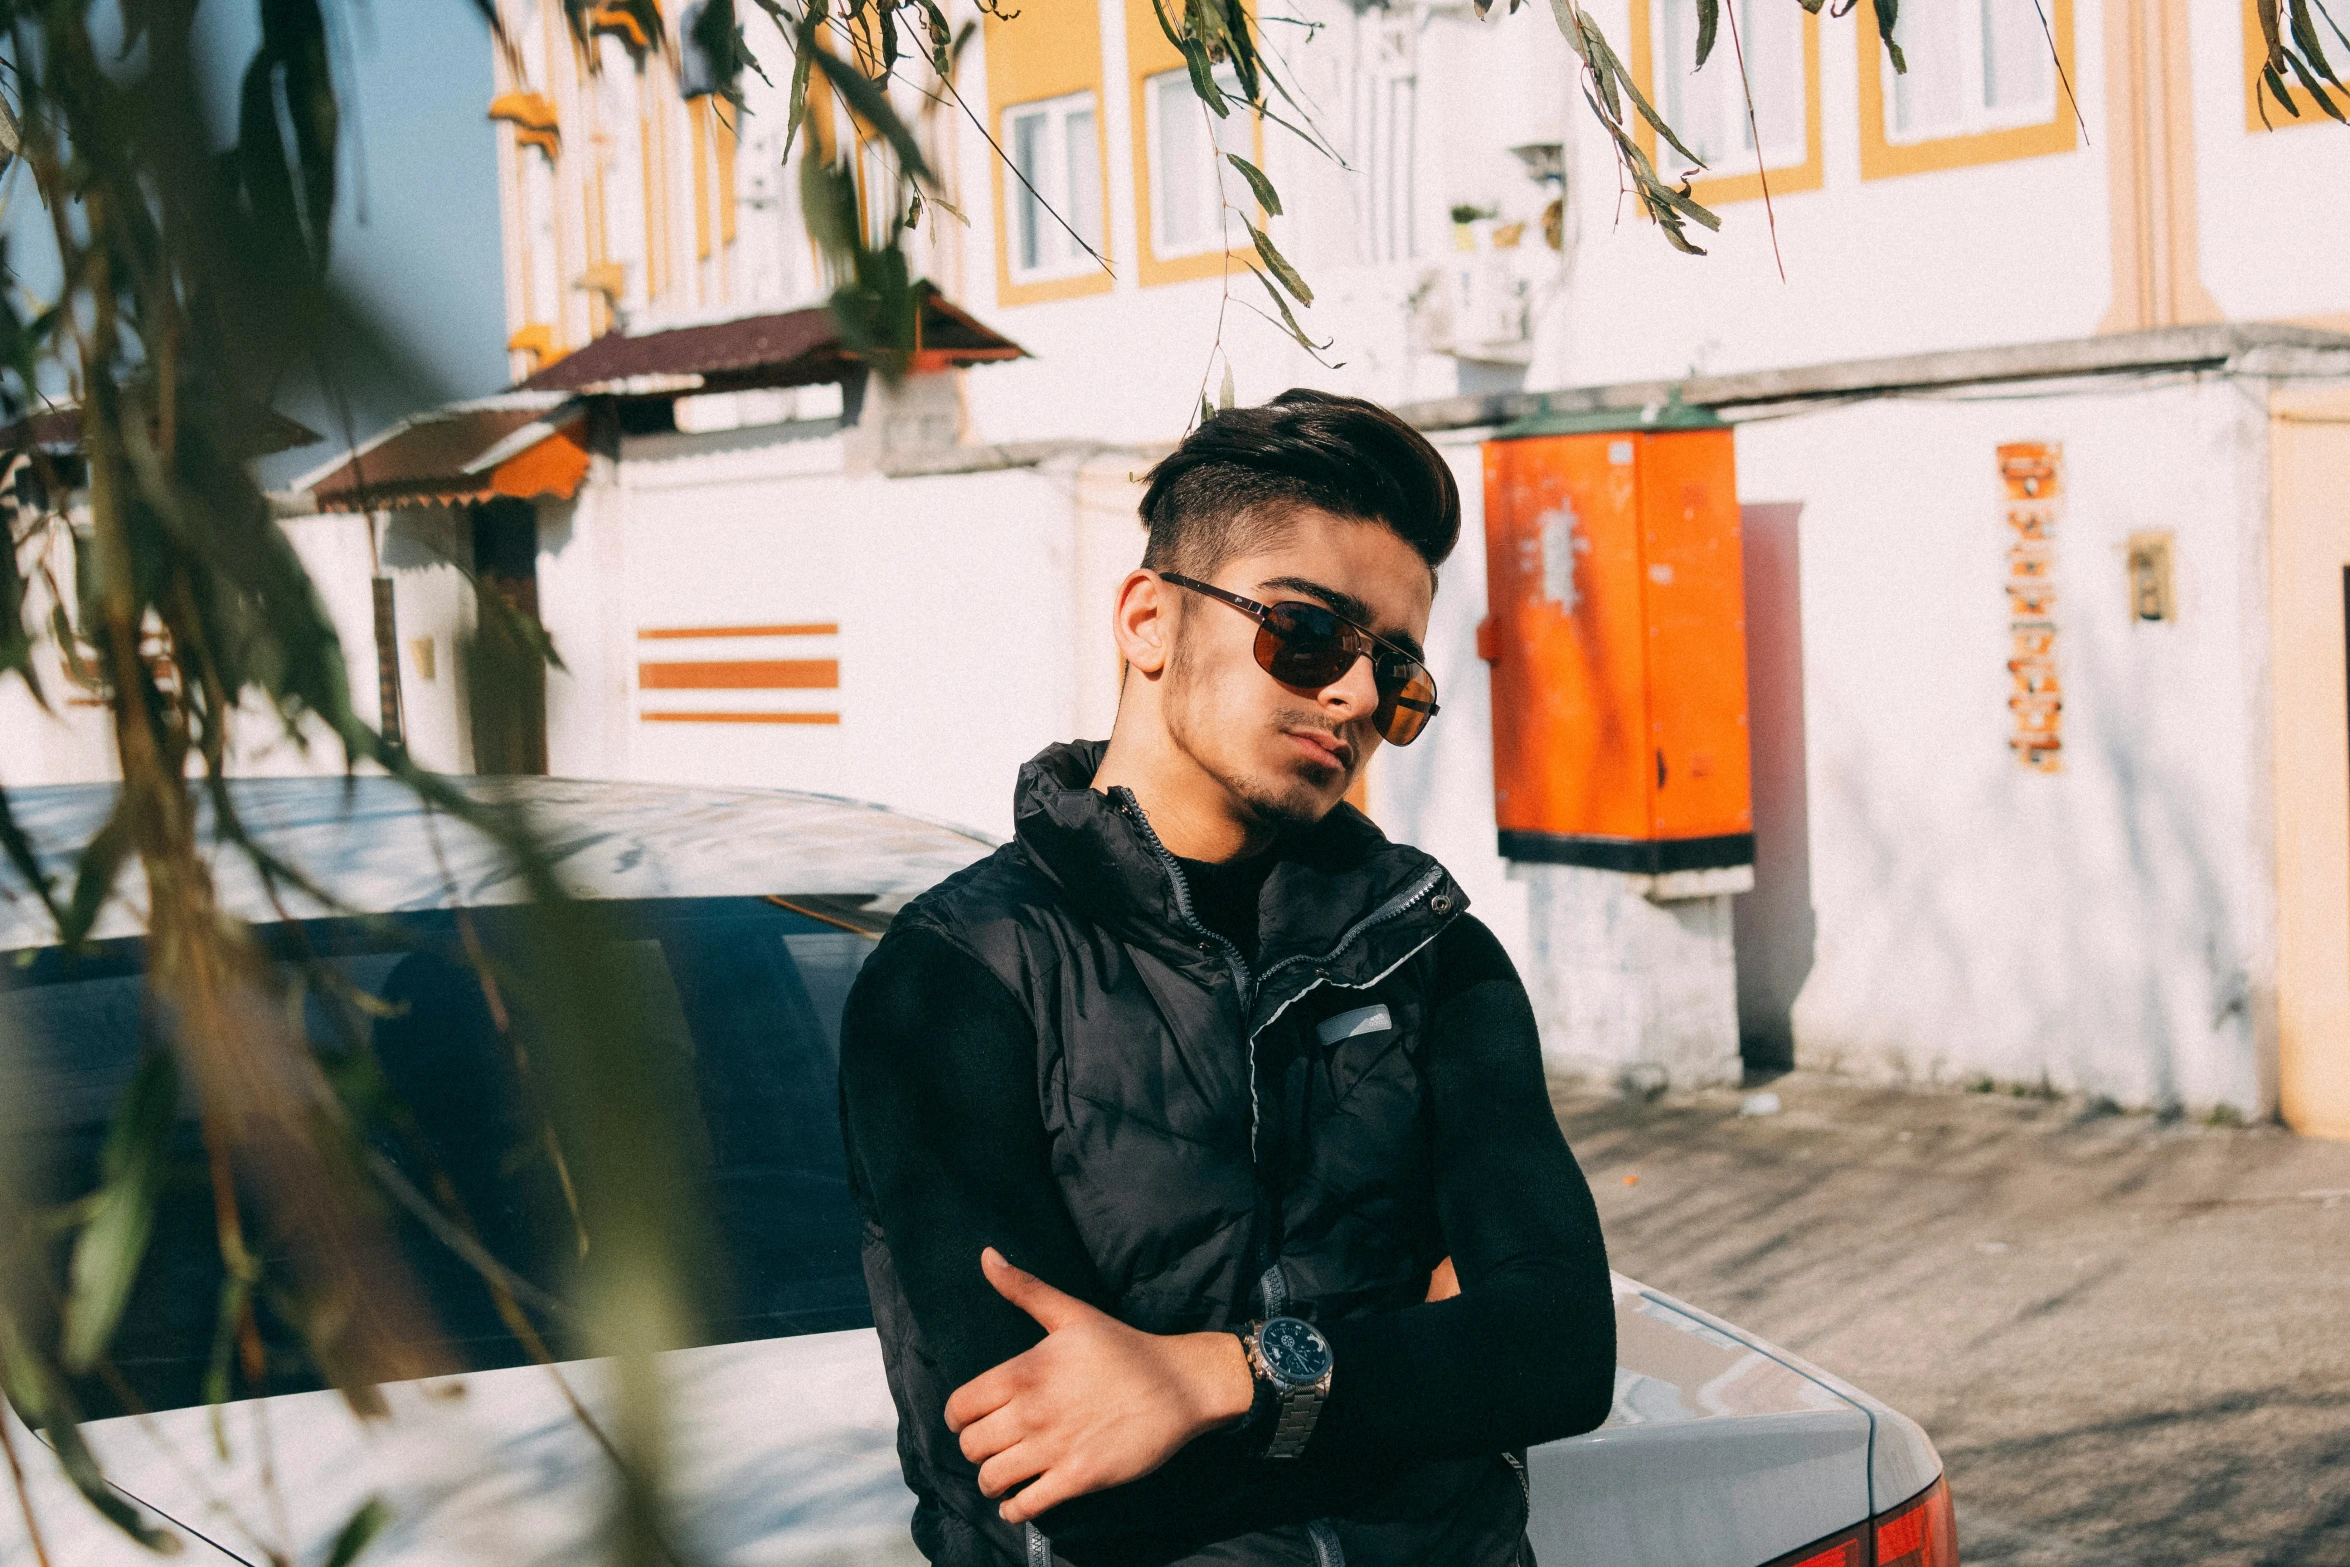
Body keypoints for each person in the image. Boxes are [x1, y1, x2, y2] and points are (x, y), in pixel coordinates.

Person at [838, 389, 1616, 1567]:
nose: (1354, 695)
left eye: (1395, 671)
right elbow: (1070, 1480)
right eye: (1305, 632)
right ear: (1149, 621)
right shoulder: (953, 982)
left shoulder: (1431, 953)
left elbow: (1560, 1355)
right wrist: (1434, 1368)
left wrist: (1212, 1377)